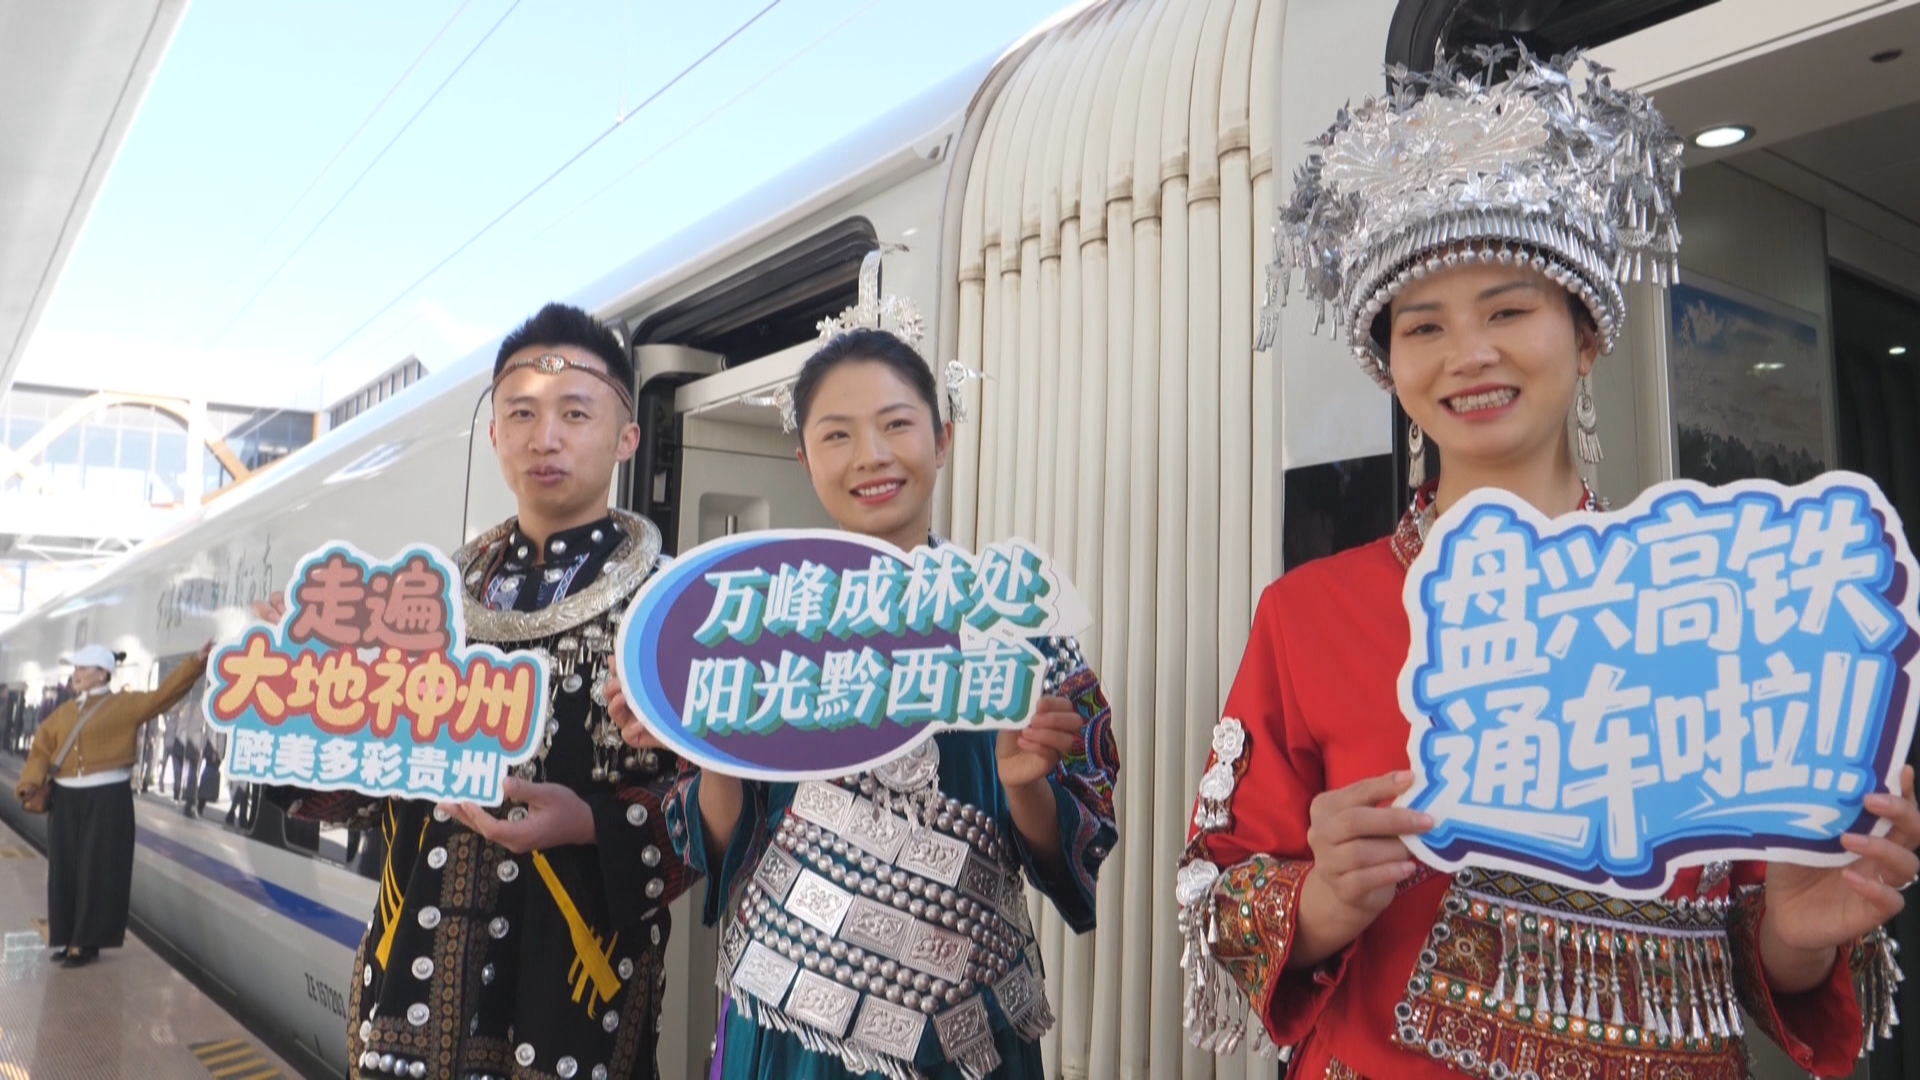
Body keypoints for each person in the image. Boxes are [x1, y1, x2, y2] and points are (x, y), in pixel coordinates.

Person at [1176, 48, 1915, 1079]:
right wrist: (1321, 901)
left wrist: (1799, 935)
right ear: (1393, 369)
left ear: (1588, 333)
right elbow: (1213, 896)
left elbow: (1769, 950)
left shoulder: (1723, 602)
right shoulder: (1311, 614)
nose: (1468, 353)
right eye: (1424, 327)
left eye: (1509, 310)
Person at [610, 325, 1121, 1079]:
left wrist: (1026, 786)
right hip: (788, 1020)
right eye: (838, 435)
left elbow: (1078, 842)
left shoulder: (1020, 622)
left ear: (942, 439)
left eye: (897, 425)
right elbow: (721, 841)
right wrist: (707, 747)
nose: (871, 457)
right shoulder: (761, 623)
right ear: (806, 459)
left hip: (965, 1024)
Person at [265, 302, 691, 1079]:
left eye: (574, 412)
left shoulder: (674, 612)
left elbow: (717, 821)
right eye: (521, 413)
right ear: (494, 434)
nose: (545, 436)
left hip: (575, 1005)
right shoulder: (415, 608)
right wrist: (295, 697)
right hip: (409, 996)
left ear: (627, 435)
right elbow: (348, 797)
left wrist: (592, 825)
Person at [15, 643, 210, 967]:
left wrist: (195, 664)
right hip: (64, 800)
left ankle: (84, 942)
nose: (75, 674)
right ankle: (65, 936)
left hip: (108, 799)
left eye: (83, 668)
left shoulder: (126, 705)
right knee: (64, 869)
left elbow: (164, 695)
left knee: (98, 870)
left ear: (103, 672)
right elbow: (40, 751)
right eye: (75, 668)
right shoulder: (63, 713)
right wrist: (29, 782)